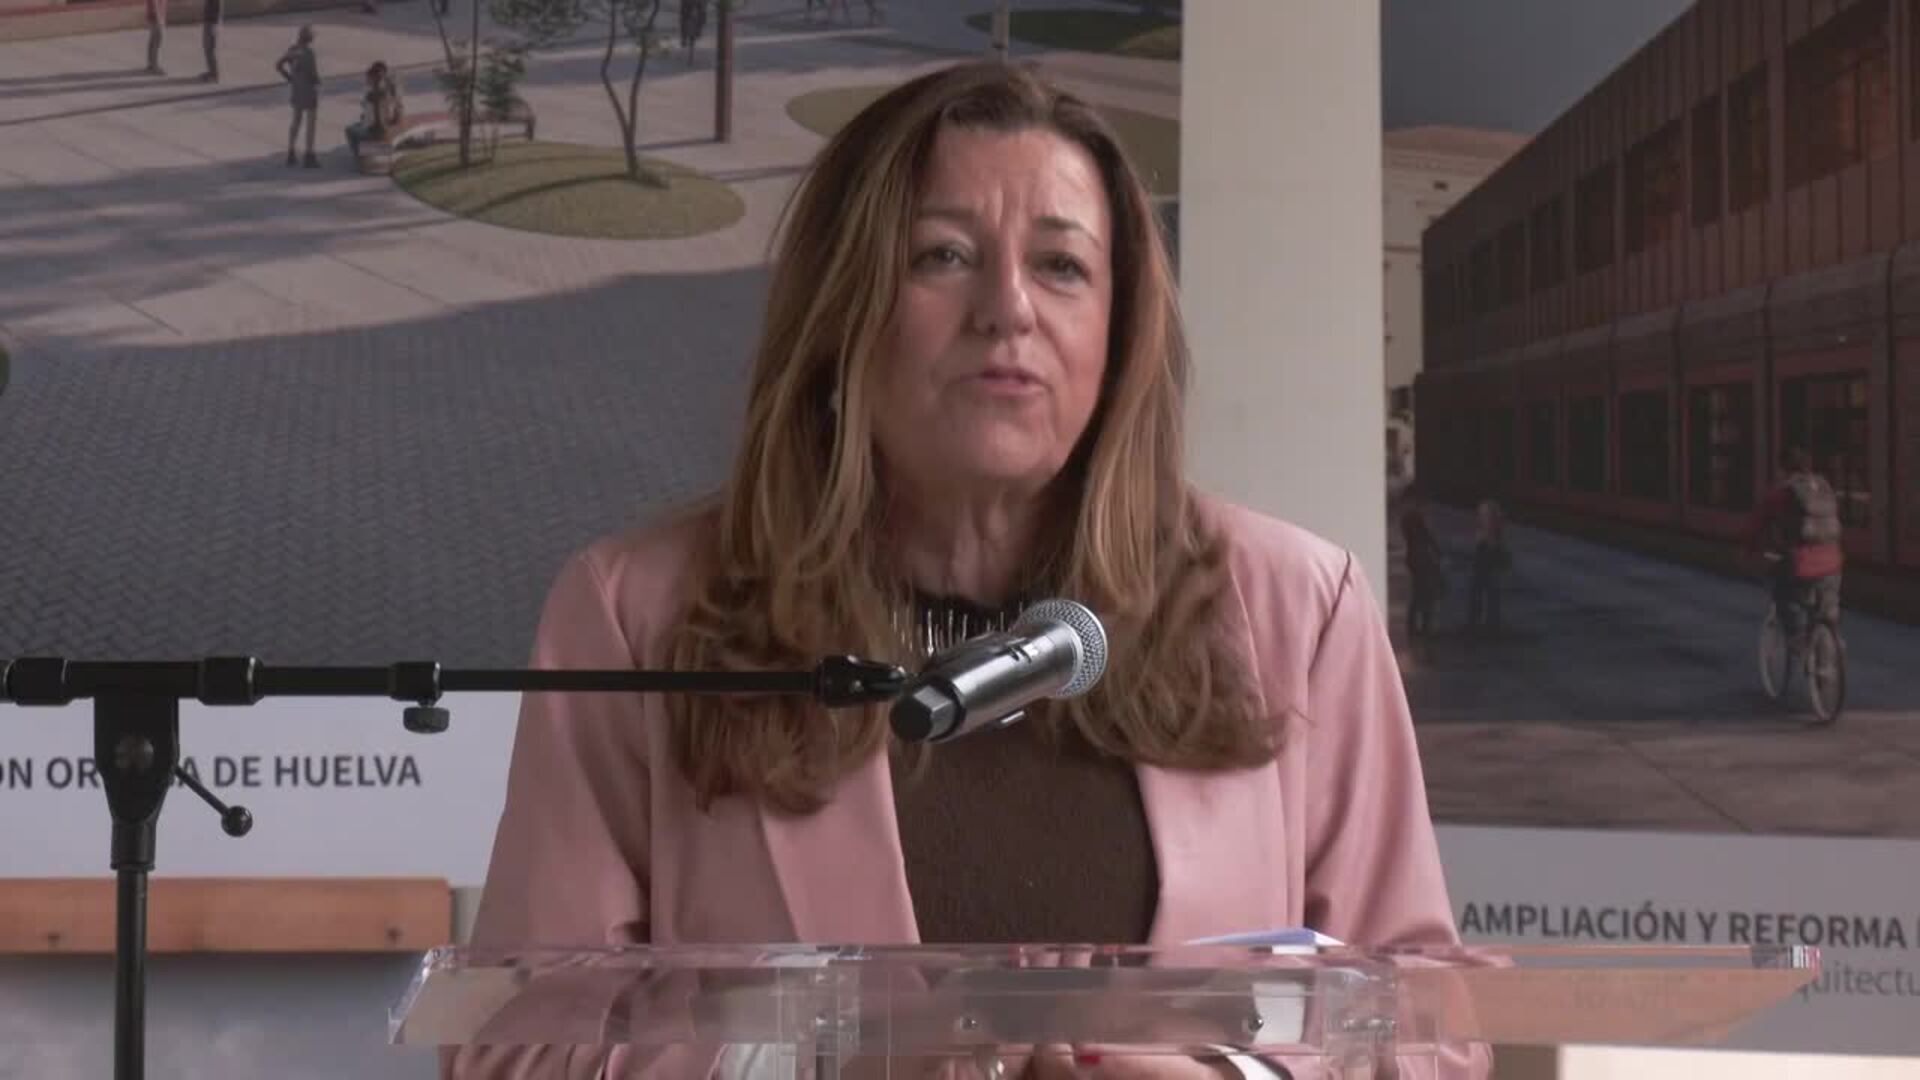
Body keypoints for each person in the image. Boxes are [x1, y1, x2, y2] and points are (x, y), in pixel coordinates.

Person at [449, 62, 1485, 1079]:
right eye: (943, 256)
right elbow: (514, 1048)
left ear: (1120, 327)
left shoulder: (1300, 610)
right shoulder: (639, 615)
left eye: (1062, 266)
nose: (1007, 310)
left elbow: (1435, 1031)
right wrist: (815, 1066)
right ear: (841, 308)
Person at [1745, 446, 1844, 648]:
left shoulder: (1783, 493)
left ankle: (1798, 643)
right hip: (1833, 562)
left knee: (1786, 599)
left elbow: (1755, 526)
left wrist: (1749, 549)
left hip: (1801, 564)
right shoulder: (1824, 488)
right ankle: (1833, 644)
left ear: (1783, 469)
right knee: (1826, 611)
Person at [1399, 487, 1444, 641]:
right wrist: (1436, 552)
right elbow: (1426, 537)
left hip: (1417, 560)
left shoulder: (1411, 518)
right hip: (1420, 561)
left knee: (1420, 594)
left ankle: (1418, 627)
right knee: (1423, 594)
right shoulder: (1413, 518)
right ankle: (1421, 627)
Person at [275, 26, 321, 168]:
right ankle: (309, 154)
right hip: (309, 91)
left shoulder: (292, 50)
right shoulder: (309, 53)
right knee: (311, 123)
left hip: (296, 89)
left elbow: (278, 65)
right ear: (310, 38)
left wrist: (290, 78)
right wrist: (318, 82)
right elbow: (313, 75)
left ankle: (291, 150)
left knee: (296, 121)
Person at [1466, 499, 1508, 636]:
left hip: (1487, 560)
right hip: (1485, 559)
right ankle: (1483, 623)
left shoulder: (1491, 535)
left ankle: (1485, 623)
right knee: (1483, 593)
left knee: (1486, 593)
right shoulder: (1485, 533)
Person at [345, 62, 403, 157]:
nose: (366, 81)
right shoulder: (389, 91)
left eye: (368, 78)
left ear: (373, 78)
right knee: (360, 126)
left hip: (378, 133)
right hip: (388, 128)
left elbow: (370, 122)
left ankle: (364, 156)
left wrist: (364, 119)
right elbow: (394, 114)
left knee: (350, 130)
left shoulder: (371, 96)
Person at [198, 0, 222, 83]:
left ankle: (214, 76)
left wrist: (214, 25)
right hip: (209, 22)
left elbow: (216, 10)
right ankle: (211, 72)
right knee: (207, 48)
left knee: (210, 49)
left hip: (212, 23)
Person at [144, 0, 167, 75]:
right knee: (157, 39)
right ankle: (155, 65)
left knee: (153, 39)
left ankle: (151, 63)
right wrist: (158, 17)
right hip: (156, 15)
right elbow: (154, 2)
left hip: (154, 14)